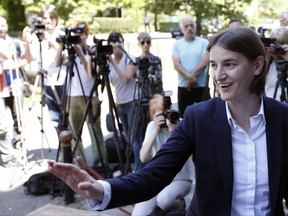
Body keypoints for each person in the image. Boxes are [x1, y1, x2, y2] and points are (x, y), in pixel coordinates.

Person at [48, 26, 288, 215]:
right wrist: (102, 190)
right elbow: (154, 175)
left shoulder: (283, 118)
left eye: (230, 64)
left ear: (257, 65)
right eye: (214, 65)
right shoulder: (198, 117)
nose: (217, 75)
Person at [54, 21, 108, 167]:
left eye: (81, 34)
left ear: (86, 35)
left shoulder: (91, 50)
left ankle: (100, 164)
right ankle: (79, 164)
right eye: (76, 35)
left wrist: (80, 52)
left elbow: (90, 73)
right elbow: (56, 63)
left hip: (90, 97)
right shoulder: (69, 53)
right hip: (72, 97)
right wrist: (61, 44)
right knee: (74, 135)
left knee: (95, 132)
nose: (79, 37)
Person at [131, 94, 194, 215]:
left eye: (164, 114)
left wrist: (176, 132)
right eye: (159, 115)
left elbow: (193, 158)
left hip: (181, 180)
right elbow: (143, 158)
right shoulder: (152, 126)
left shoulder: (180, 124)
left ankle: (179, 205)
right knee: (138, 214)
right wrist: (155, 130)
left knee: (164, 200)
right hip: (157, 179)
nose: (163, 118)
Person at [22, 5, 66, 133]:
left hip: (63, 81)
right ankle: (63, 148)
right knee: (55, 119)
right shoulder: (38, 36)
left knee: (66, 118)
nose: (47, 21)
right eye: (44, 18)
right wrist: (27, 43)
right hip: (47, 81)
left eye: (50, 18)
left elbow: (65, 55)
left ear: (56, 19)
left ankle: (73, 149)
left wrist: (49, 39)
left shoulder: (62, 33)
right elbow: (30, 58)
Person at [106, 32, 143, 171]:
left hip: (133, 101)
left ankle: (139, 171)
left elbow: (126, 78)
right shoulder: (108, 62)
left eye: (118, 41)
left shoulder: (130, 59)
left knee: (136, 139)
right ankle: (136, 164)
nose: (116, 45)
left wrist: (113, 62)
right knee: (128, 137)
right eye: (113, 42)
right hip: (120, 103)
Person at [172, 16, 210, 118]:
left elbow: (205, 62)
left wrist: (191, 77)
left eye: (191, 25)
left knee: (205, 117)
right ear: (182, 29)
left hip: (201, 86)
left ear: (195, 27)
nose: (189, 28)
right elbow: (176, 64)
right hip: (184, 87)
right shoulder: (177, 45)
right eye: (186, 26)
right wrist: (189, 78)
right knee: (184, 118)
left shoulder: (204, 42)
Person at [0, 16, 26, 143]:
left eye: (3, 25)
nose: (0, 28)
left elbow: (26, 59)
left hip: (14, 82)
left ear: (7, 26)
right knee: (1, 120)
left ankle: (18, 141)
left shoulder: (14, 43)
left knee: (18, 116)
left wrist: (14, 65)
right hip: (0, 87)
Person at [264, 27, 288, 102]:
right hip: (271, 105)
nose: (279, 49)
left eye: (281, 45)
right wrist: (267, 55)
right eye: (276, 46)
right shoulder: (266, 63)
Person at [137, 32, 163, 97]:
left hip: (155, 94)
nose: (145, 44)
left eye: (148, 42)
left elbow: (158, 79)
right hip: (141, 95)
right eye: (142, 42)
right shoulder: (136, 61)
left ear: (150, 43)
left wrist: (146, 78)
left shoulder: (156, 60)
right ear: (139, 44)